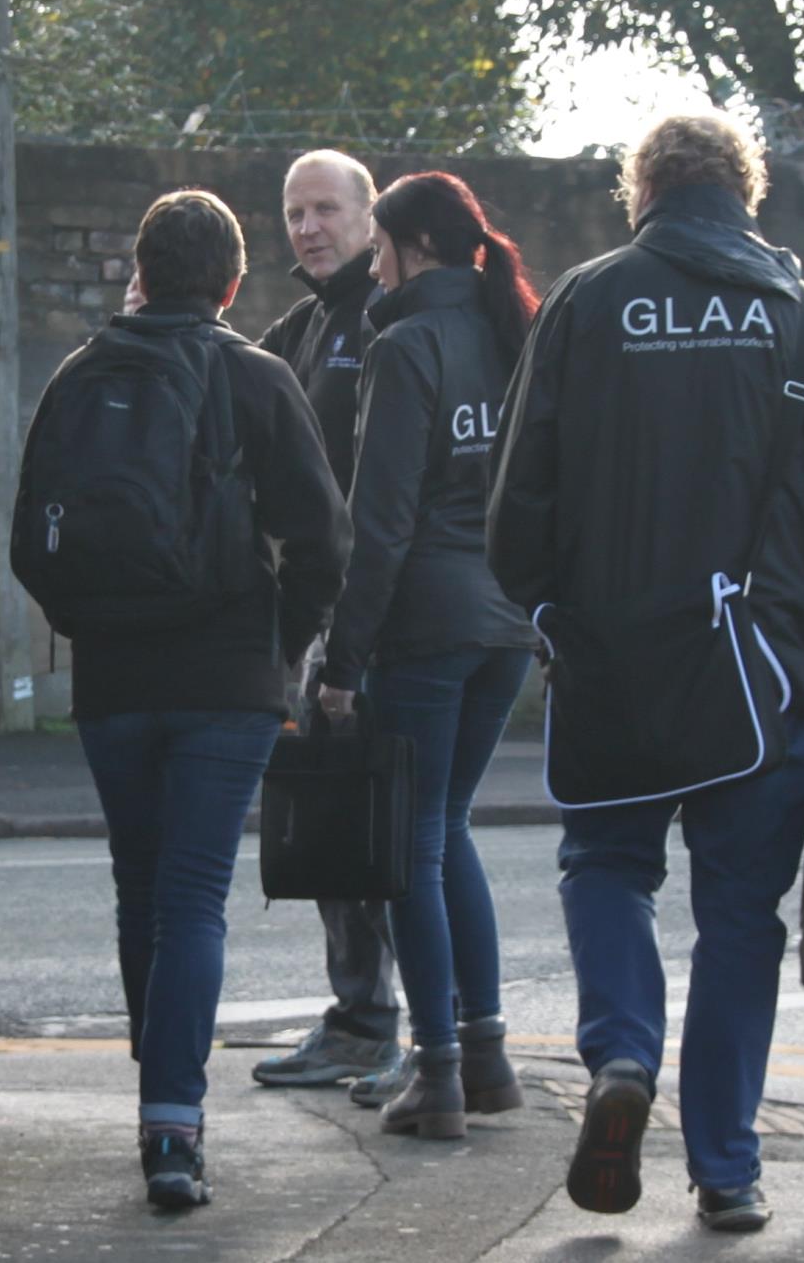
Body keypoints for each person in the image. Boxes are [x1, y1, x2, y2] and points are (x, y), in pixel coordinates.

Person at [487, 112, 804, 1230]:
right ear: (745, 193)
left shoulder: (584, 302)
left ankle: (623, 1055)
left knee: (607, 865)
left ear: (644, 196)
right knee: (739, 919)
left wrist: (547, 612)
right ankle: (726, 1166)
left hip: (614, 660)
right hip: (761, 674)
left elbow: (518, 497)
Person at [19, 189, 352, 1206]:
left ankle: (154, 1096)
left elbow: (34, 539)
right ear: (234, 284)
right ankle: (176, 1125)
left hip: (116, 681)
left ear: (141, 269)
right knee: (194, 895)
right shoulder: (253, 376)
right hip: (225, 681)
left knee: (140, 884)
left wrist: (94, 626)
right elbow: (325, 541)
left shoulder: (82, 375)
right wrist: (280, 644)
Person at [317, 171, 540, 1139]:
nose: (372, 265)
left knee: (412, 845)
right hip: (509, 626)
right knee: (447, 829)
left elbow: (382, 522)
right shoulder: (516, 334)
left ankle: (438, 1071)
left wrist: (340, 658)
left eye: (378, 248)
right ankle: (484, 1055)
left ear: (415, 246)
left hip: (428, 626)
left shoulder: (406, 345)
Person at [251, 150, 406, 1095]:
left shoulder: (387, 318)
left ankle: (397, 1034)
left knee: (380, 835)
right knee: (340, 833)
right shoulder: (301, 326)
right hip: (320, 616)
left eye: (325, 210)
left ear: (369, 217)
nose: (308, 228)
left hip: (380, 619)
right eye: (293, 212)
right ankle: (362, 1022)